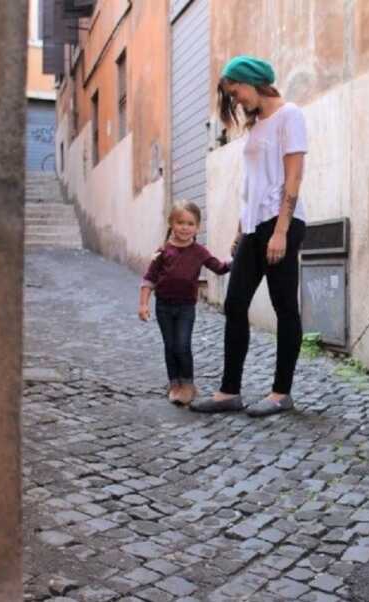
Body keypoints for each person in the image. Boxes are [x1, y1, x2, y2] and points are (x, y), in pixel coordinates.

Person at [191, 55, 307, 417]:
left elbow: (294, 178)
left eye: (236, 91)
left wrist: (281, 232)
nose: (237, 100)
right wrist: (242, 229)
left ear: (253, 81)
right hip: (255, 225)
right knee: (235, 303)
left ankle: (280, 393)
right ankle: (230, 392)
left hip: (281, 224)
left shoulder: (291, 116)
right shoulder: (257, 127)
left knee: (284, 306)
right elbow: (252, 185)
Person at [139, 202, 231, 405]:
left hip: (186, 308)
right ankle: (174, 384)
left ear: (197, 227)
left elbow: (219, 267)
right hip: (163, 306)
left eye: (190, 223)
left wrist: (235, 257)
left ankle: (188, 384)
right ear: (172, 223)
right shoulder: (163, 251)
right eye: (180, 222)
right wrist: (143, 304)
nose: (185, 227)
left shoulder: (199, 251)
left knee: (182, 345)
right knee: (170, 346)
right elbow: (149, 279)